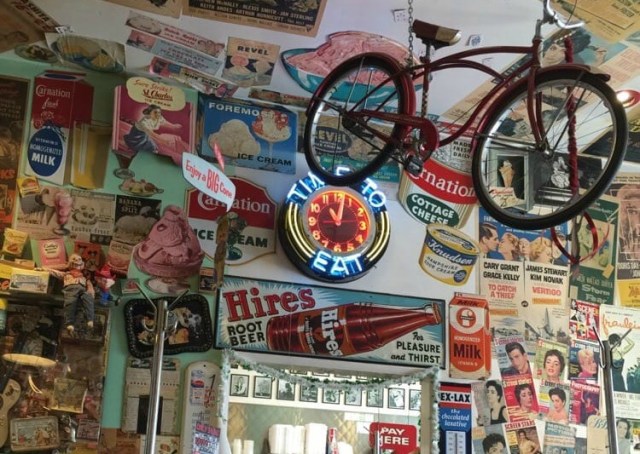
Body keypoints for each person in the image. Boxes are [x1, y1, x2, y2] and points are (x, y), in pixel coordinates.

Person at [42, 254, 95, 333]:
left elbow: (89, 285)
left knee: (88, 299)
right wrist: (65, 266)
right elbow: (52, 271)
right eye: (74, 260)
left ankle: (90, 319)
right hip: (71, 290)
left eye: (79, 260)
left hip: (83, 289)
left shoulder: (84, 276)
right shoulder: (66, 274)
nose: (77, 262)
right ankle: (69, 323)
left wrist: (91, 291)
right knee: (70, 303)